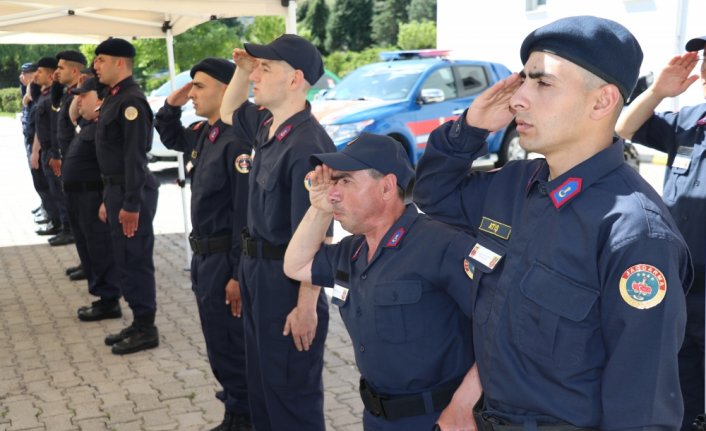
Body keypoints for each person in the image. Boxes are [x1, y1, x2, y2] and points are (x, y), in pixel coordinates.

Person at [413, 15, 692, 429]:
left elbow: (641, 409)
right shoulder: (514, 185)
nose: (518, 99)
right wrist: (469, 130)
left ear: (601, 101)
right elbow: (432, 194)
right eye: (522, 80)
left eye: (542, 83)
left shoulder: (635, 233)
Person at [283, 132, 481, 430]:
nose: (334, 192)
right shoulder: (352, 251)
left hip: (438, 418)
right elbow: (296, 266)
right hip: (376, 417)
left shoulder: (442, 245)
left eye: (345, 181)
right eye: (333, 182)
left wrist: (465, 404)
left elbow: (502, 329)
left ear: (387, 187)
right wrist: (320, 208)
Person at [220, 34, 335, 431]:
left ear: (294, 80)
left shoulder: (307, 146)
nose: (255, 74)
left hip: (286, 285)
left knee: (291, 398)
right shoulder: (269, 124)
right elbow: (227, 110)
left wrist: (307, 306)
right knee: (263, 391)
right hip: (257, 273)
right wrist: (239, 68)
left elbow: (320, 234)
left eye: (264, 68)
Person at [154, 58, 252, 431]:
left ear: (227, 90)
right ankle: (234, 412)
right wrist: (172, 103)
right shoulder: (206, 133)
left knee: (231, 345)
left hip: (224, 261)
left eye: (200, 86)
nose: (193, 93)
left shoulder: (237, 141)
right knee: (217, 343)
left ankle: (244, 418)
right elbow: (168, 133)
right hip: (204, 257)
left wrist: (237, 273)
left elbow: (245, 215)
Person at [615, 38, 706, 430]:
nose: (703, 72)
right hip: (679, 278)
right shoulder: (691, 120)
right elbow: (621, 127)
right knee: (678, 376)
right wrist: (657, 91)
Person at [92, 38, 160, 355]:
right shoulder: (114, 98)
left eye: (102, 59)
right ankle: (138, 320)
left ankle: (147, 328)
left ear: (121, 62)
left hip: (131, 190)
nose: (96, 65)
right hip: (117, 188)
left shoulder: (131, 102)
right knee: (123, 258)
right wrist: (110, 197)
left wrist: (131, 203)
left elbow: (135, 157)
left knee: (135, 259)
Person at [60, 76, 123, 323]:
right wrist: (75, 108)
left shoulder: (104, 127)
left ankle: (109, 301)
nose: (78, 100)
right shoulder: (88, 125)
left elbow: (111, 167)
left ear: (99, 98)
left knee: (100, 249)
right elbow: (66, 130)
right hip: (77, 196)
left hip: (93, 196)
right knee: (88, 249)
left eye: (83, 96)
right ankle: (102, 295)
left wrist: (106, 200)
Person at [45, 50, 89, 248]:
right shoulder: (68, 94)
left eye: (61, 68)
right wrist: (55, 82)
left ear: (74, 70)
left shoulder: (82, 95)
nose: (57, 72)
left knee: (83, 217)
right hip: (69, 158)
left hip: (77, 161)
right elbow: (54, 105)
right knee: (74, 210)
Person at [30, 56, 65, 238]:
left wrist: (54, 153)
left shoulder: (53, 98)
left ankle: (66, 228)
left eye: (40, 71)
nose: (36, 74)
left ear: (51, 76)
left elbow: (54, 129)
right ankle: (59, 223)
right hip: (46, 151)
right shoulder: (45, 95)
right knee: (52, 189)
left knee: (59, 191)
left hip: (52, 151)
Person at [20, 62, 52, 225]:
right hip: (33, 142)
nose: (21, 77)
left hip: (40, 146)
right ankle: (48, 210)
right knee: (40, 182)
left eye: (24, 74)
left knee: (45, 183)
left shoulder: (42, 95)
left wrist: (34, 151)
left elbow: (41, 126)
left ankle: (53, 217)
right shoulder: (31, 92)